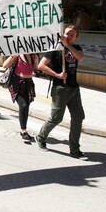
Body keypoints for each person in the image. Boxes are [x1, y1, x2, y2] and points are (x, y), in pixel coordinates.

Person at [36, 25, 86, 159]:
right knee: (56, 118)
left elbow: (80, 58)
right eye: (67, 33)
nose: (69, 37)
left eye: (72, 35)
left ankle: (74, 149)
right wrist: (57, 75)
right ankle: (41, 137)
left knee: (78, 117)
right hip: (60, 88)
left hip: (74, 88)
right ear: (63, 33)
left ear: (76, 37)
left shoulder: (76, 48)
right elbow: (41, 66)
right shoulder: (55, 48)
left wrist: (67, 46)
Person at [3, 53, 39, 142]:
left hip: (29, 83)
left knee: (26, 106)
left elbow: (36, 69)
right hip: (17, 83)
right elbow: (4, 65)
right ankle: (23, 131)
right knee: (23, 106)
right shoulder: (17, 55)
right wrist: (13, 56)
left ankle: (24, 128)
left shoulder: (34, 56)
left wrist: (36, 60)